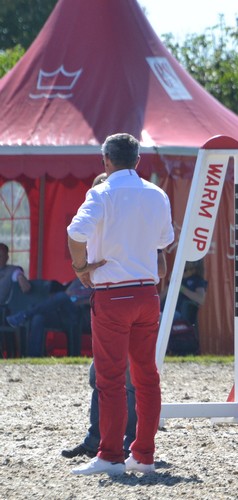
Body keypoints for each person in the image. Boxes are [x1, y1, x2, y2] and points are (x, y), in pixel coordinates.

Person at [67, 133, 174, 476]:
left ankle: (110, 454)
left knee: (110, 379)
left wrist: (81, 267)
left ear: (106, 161)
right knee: (147, 377)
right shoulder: (157, 193)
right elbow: (165, 241)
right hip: (146, 293)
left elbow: (75, 231)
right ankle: (143, 453)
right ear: (138, 160)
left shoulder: (100, 193)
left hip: (113, 295)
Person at [5, 277, 90, 357]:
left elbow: (94, 301)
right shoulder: (80, 279)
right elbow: (68, 292)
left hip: (79, 315)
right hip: (62, 313)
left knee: (62, 296)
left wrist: (78, 300)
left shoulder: (98, 282)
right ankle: (33, 356)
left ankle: (25, 315)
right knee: (39, 317)